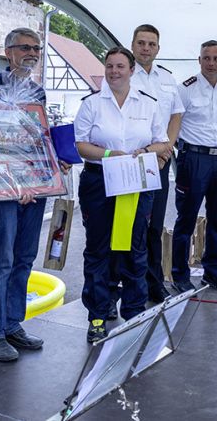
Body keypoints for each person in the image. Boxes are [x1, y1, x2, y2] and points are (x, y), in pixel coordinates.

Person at [74, 47, 170, 342]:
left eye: (120, 66)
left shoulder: (148, 104)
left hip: (135, 183)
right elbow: (80, 144)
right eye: (109, 66)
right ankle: (99, 316)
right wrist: (108, 154)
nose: (114, 71)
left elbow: (162, 142)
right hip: (99, 182)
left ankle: (133, 312)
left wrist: (145, 151)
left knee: (134, 249)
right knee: (99, 250)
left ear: (131, 70)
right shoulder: (92, 103)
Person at [0, 27, 49, 362]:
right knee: (2, 260)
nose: (31, 53)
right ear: (8, 52)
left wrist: (40, 176)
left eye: (36, 48)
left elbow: (38, 139)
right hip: (3, 189)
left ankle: (11, 323)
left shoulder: (37, 91)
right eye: (24, 48)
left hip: (34, 189)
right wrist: (14, 182)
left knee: (24, 258)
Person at [171, 40, 217, 293]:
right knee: (186, 218)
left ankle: (213, 271)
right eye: (206, 58)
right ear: (199, 61)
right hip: (194, 159)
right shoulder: (185, 90)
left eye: (216, 58)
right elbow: (175, 125)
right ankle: (180, 274)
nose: (211, 63)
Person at [130, 24, 185, 303]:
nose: (146, 48)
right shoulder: (123, 75)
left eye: (151, 44)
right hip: (131, 160)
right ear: (133, 45)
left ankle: (153, 283)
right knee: (127, 225)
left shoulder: (167, 79)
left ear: (158, 49)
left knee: (154, 226)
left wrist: (167, 149)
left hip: (160, 162)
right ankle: (126, 284)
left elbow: (176, 115)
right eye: (141, 43)